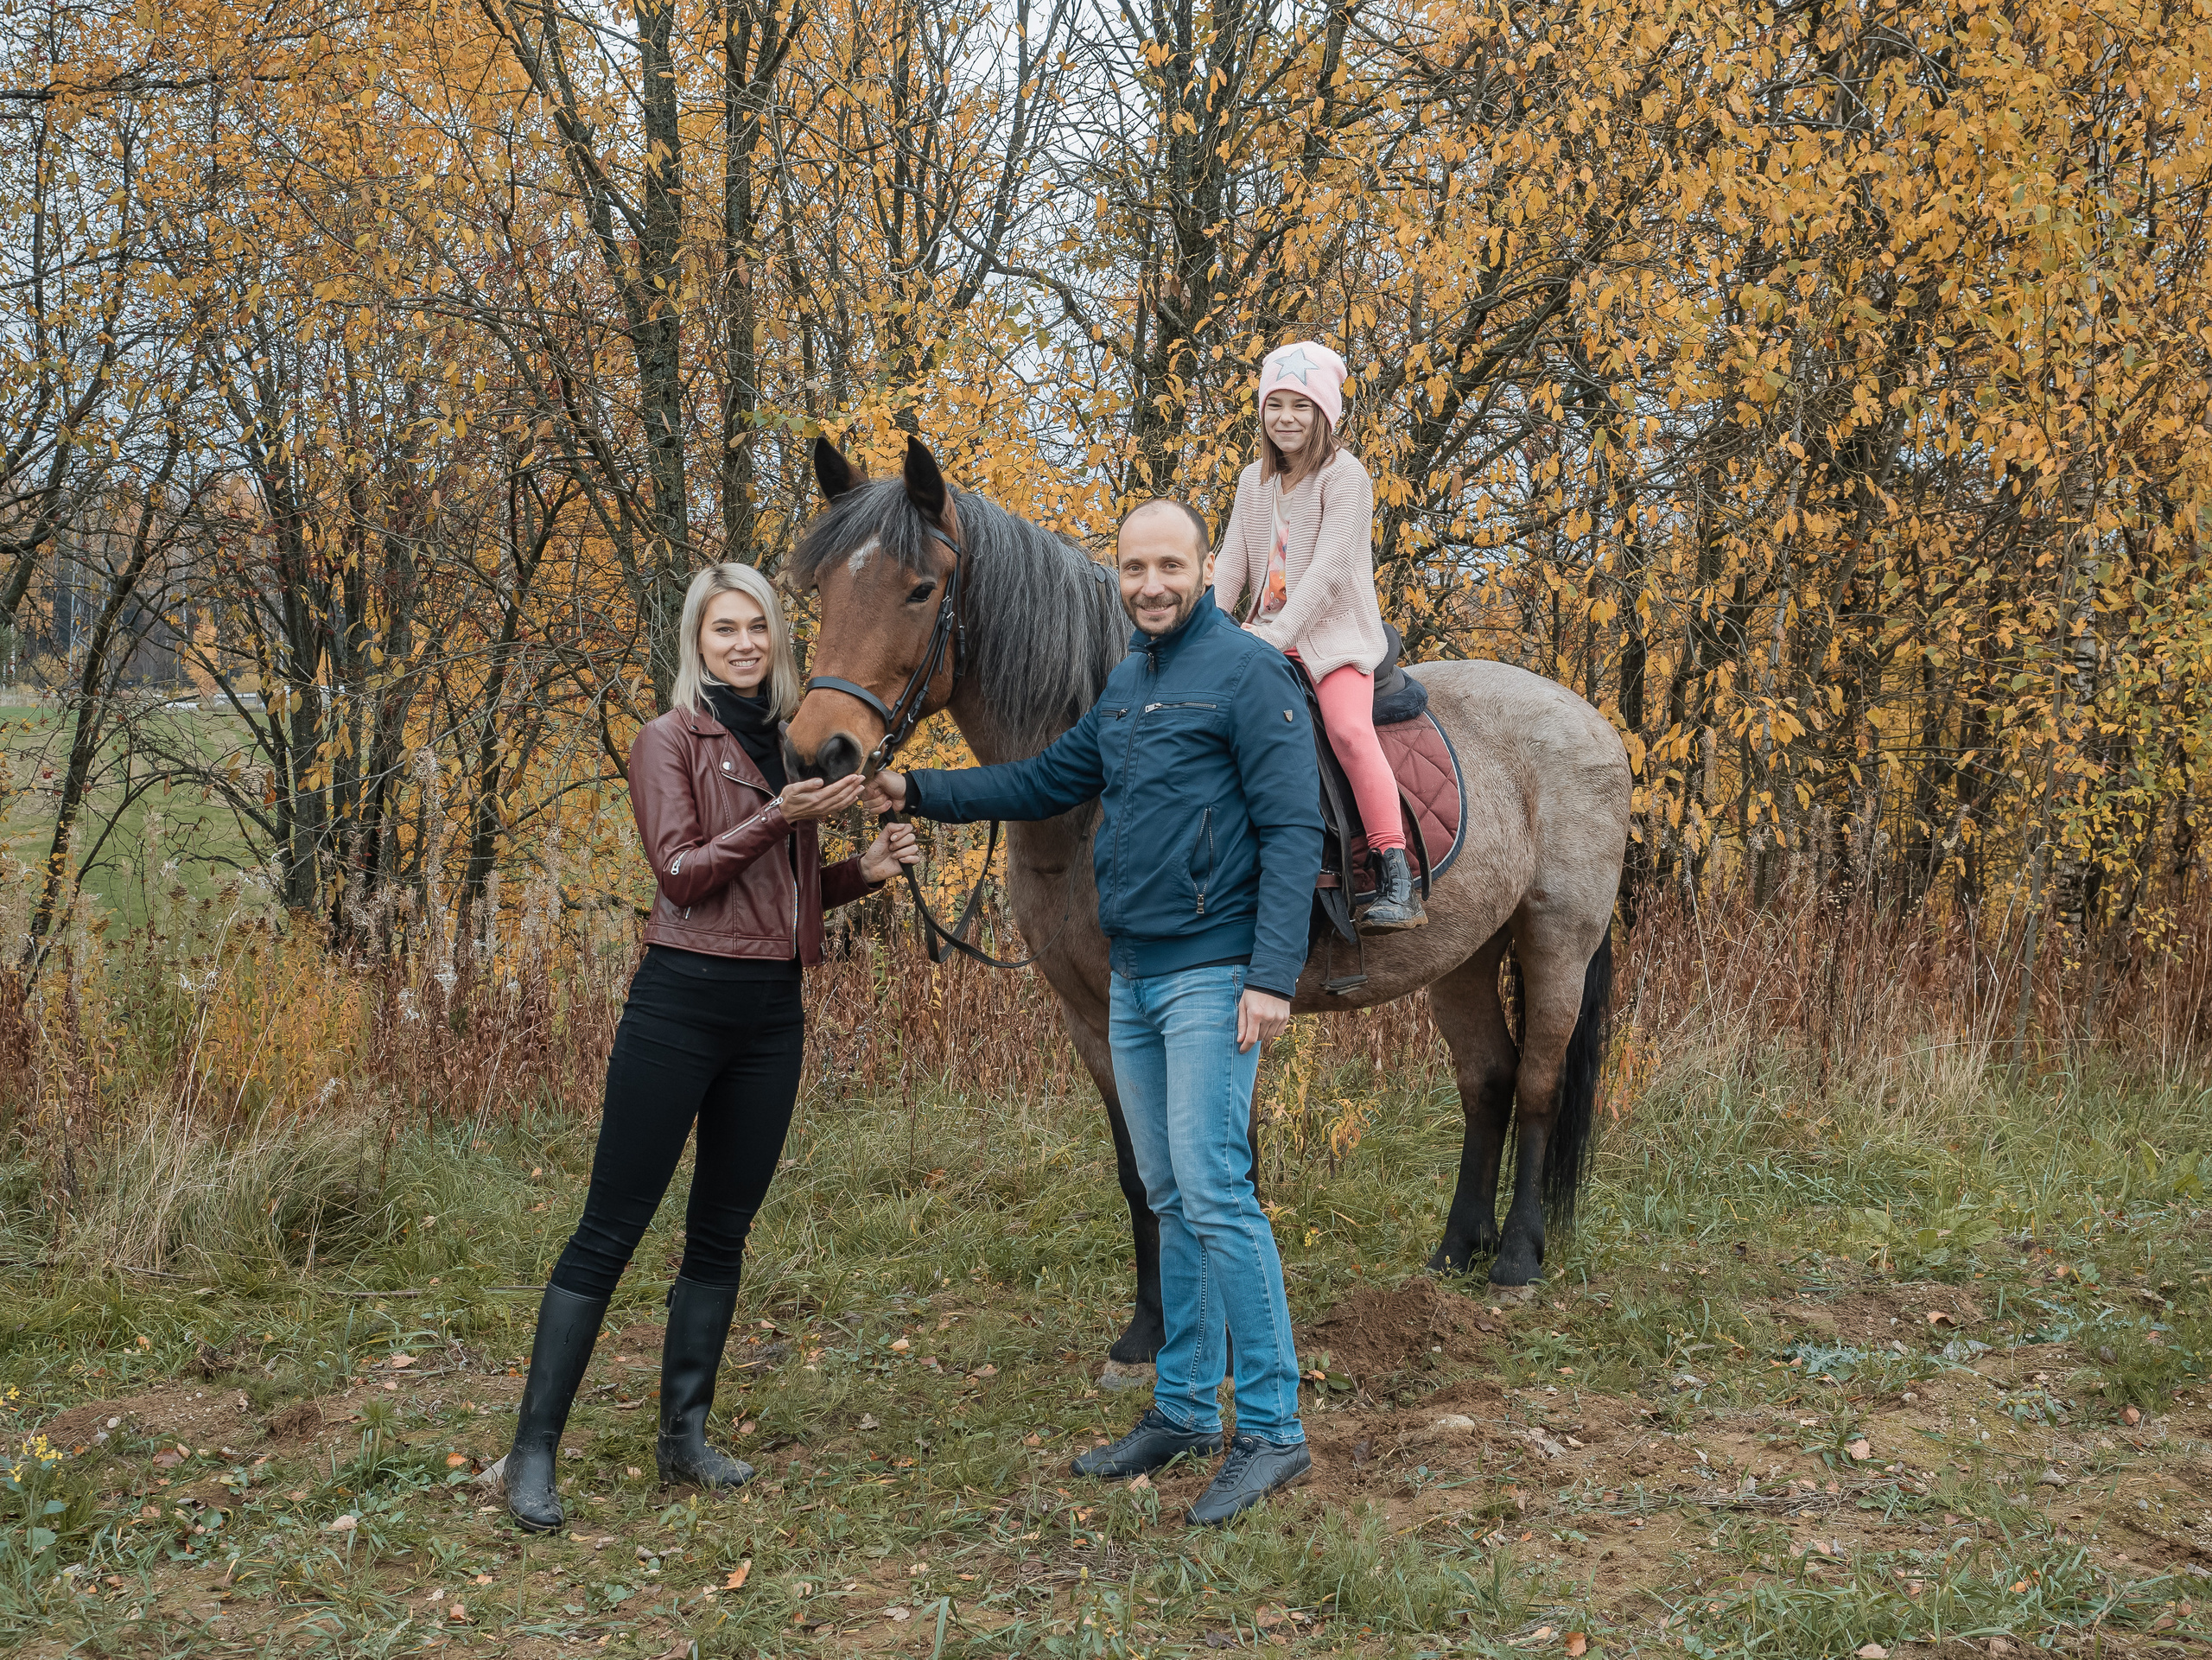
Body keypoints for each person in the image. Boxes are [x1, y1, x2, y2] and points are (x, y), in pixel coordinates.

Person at [864, 499, 1322, 1526]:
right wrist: (914, 789)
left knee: (1214, 1190)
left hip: (1213, 974)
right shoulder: (1129, 680)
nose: (1150, 584)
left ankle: (1273, 1428)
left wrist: (1271, 976)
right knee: (1166, 1190)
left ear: (1205, 569)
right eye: (1132, 567)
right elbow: (1046, 778)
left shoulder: (1248, 674)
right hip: (1139, 976)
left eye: (1169, 565)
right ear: (1116, 576)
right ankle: (1183, 1409)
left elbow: (1293, 828)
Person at [504, 563, 918, 1535]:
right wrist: (782, 817)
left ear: (776, 640)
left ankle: (683, 1440)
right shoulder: (669, 739)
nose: (742, 643)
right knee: (608, 1231)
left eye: (758, 628)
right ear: (696, 641)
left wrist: (859, 867)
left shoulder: (788, 745)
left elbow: (781, 891)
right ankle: (531, 1452)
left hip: (772, 1016)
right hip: (677, 1007)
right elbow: (683, 876)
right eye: (724, 629)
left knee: (720, 1233)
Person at [1213, 340, 1424, 931]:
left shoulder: (1345, 476)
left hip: (1332, 641)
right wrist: (1204, 626)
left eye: (1300, 406)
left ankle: (1393, 868)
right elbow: (1231, 563)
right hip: (1264, 637)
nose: (1286, 417)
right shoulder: (1254, 483)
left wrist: (1276, 632)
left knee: (1350, 731)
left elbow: (1330, 572)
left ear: (1324, 415)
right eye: (1274, 404)